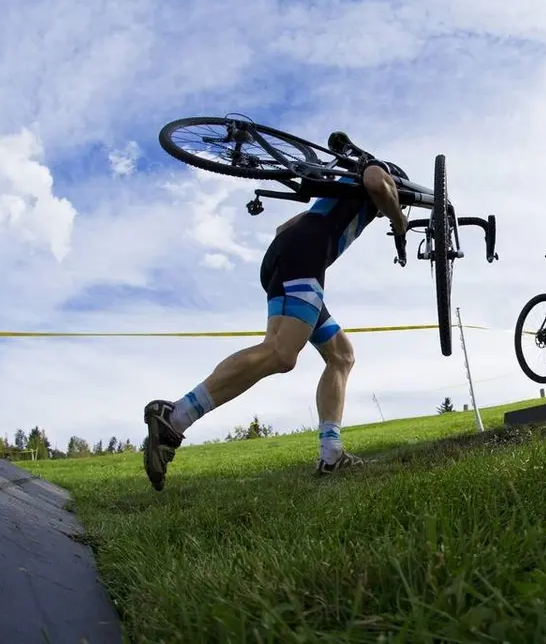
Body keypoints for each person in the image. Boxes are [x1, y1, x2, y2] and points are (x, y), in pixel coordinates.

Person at [139, 131, 411, 491]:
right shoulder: (374, 170)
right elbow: (378, 182)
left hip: (286, 256)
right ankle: (176, 416)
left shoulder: (338, 193)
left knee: (341, 355)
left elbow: (285, 227)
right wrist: (399, 222)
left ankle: (331, 453)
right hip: (306, 257)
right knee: (281, 353)